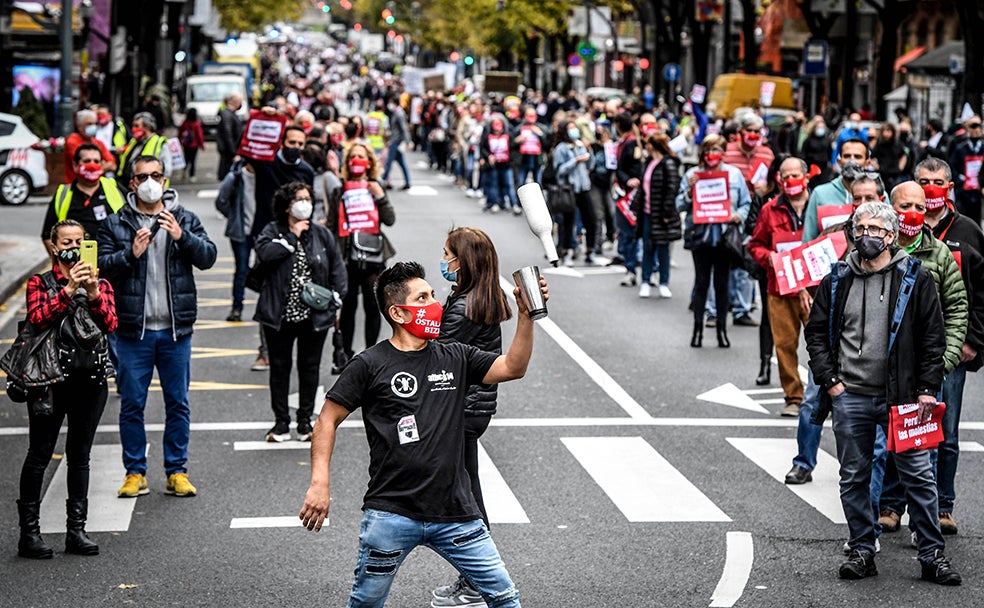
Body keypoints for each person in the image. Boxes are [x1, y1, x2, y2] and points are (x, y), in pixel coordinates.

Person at [299, 261, 548, 608]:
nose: (435, 304)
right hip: (391, 514)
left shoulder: (455, 355)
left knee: (506, 598)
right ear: (398, 313)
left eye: (433, 294)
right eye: (423, 298)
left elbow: (512, 367)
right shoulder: (369, 364)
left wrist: (525, 316)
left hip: (456, 514)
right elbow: (327, 419)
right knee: (365, 603)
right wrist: (319, 483)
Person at [804, 201, 961, 585]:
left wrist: (926, 389)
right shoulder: (837, 279)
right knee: (853, 476)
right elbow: (817, 334)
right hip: (851, 396)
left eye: (876, 230)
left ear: (891, 237)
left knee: (918, 476)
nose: (867, 236)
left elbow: (932, 337)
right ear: (853, 233)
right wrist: (833, 384)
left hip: (904, 398)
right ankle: (862, 549)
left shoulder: (914, 278)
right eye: (861, 229)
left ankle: (931, 555)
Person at [97, 156, 217, 498]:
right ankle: (135, 471)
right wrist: (129, 255)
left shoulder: (184, 218)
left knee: (177, 402)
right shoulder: (115, 224)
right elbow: (102, 268)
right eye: (142, 176)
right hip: (134, 331)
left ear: (164, 181)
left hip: (175, 331)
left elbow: (208, 256)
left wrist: (182, 237)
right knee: (132, 403)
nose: (150, 181)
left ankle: (176, 471)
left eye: (156, 175)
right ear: (132, 184)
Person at [17, 219, 117, 559]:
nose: (73, 246)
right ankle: (29, 534)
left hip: (89, 381)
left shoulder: (100, 282)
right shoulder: (39, 282)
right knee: (40, 454)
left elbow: (110, 324)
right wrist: (67, 289)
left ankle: (77, 530)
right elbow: (38, 317)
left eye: (79, 240)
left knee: (80, 455)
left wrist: (91, 292)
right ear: (54, 247)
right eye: (66, 241)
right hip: (48, 381)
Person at [873, 181, 967, 539]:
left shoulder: (939, 253)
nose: (912, 212)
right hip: (888, 370)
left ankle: (927, 522)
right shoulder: (877, 249)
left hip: (929, 367)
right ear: (890, 207)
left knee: (927, 445)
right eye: (904, 205)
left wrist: (948, 356)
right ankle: (891, 507)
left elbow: (957, 307)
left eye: (918, 204)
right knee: (889, 441)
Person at [430, 227, 514, 605]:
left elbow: (437, 355)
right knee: (466, 491)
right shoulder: (478, 297)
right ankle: (476, 577)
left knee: (464, 498)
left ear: (462, 262)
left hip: (462, 409)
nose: (443, 261)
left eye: (448, 255)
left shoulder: (463, 306)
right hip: (474, 408)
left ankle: (481, 580)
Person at [919, 157, 984, 535]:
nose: (931, 189)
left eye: (937, 182)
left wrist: (973, 341)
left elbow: (982, 294)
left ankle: (944, 506)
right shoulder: (902, 228)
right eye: (923, 181)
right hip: (907, 350)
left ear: (949, 186)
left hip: (953, 349)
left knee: (947, 432)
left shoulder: (969, 231)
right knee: (902, 427)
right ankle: (894, 505)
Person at [253, 182, 347, 442]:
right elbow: (264, 254)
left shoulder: (321, 234)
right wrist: (291, 237)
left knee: (309, 367)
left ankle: (305, 422)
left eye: (308, 198)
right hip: (279, 316)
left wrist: (337, 297)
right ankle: (281, 423)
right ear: (286, 206)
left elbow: (337, 268)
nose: (305, 203)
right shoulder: (272, 231)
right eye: (299, 199)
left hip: (314, 316)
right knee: (280, 368)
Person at [244, 123, 316, 369]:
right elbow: (248, 148)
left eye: (300, 144)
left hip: (300, 238)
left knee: (298, 291)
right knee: (268, 296)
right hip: (269, 237)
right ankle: (265, 351)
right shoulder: (267, 163)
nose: (295, 148)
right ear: (281, 142)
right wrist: (264, 118)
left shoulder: (306, 171)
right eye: (291, 142)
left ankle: (293, 346)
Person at [749, 158, 812, 418]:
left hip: (815, 288)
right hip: (781, 288)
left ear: (806, 176)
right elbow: (755, 245)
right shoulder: (769, 209)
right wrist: (769, 258)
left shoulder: (817, 206)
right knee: (784, 345)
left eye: (795, 174)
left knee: (825, 345)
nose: (790, 180)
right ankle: (794, 396)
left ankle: (826, 395)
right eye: (785, 176)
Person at [676, 134, 751, 348]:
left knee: (722, 284)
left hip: (725, 236)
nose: (712, 155)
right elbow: (679, 205)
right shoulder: (693, 174)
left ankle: (721, 331)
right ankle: (697, 330)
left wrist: (738, 215)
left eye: (717, 150)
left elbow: (746, 203)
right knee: (701, 283)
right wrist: (690, 191)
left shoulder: (734, 175)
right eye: (708, 150)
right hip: (700, 235)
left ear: (723, 152)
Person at [326, 143, 396, 365]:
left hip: (373, 257)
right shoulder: (340, 189)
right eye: (352, 156)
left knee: (373, 305)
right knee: (348, 307)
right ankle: (346, 354)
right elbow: (331, 224)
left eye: (361, 156)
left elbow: (390, 219)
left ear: (369, 162)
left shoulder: (375, 187)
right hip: (346, 256)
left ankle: (371, 355)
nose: (356, 160)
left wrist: (381, 197)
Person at [42, 143, 126, 252]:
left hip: (112, 262)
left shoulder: (116, 188)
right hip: (75, 265)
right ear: (75, 165)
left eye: (96, 161)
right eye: (86, 161)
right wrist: (61, 264)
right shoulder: (62, 194)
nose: (92, 165)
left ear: (102, 164)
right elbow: (47, 235)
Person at [631, 133, 681, 298]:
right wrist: (635, 205)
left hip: (661, 214)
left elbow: (672, 188)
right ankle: (645, 281)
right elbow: (642, 188)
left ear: (653, 145)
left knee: (662, 248)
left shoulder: (668, 164)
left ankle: (663, 283)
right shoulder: (649, 163)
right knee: (647, 247)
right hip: (646, 213)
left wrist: (667, 212)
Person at [802, 139, 869, 243]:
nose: (852, 161)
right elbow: (808, 239)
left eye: (858, 157)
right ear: (839, 161)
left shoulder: (878, 195)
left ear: (867, 163)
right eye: (847, 156)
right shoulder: (820, 194)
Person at [551, 119, 597, 266]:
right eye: (570, 128)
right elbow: (559, 171)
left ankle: (590, 250)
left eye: (574, 128)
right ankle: (567, 252)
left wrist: (589, 151)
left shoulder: (580, 145)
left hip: (584, 187)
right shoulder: (561, 148)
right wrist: (575, 161)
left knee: (591, 220)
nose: (574, 131)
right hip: (569, 189)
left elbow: (591, 165)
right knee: (568, 222)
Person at [613, 113, 644, 285]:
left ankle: (633, 269)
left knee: (629, 233)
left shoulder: (631, 143)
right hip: (625, 192)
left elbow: (626, 167)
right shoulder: (627, 142)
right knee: (627, 233)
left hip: (631, 193)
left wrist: (628, 179)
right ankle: (631, 268)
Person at [63, 109, 117, 183]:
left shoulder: (98, 142)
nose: (93, 127)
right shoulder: (72, 141)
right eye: (89, 124)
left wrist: (94, 168)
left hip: (96, 186)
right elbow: (81, 166)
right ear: (79, 126)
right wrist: (102, 165)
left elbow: (113, 165)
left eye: (95, 124)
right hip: (75, 185)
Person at [947, 115, 983, 224]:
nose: (975, 130)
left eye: (978, 126)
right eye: (972, 126)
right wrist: (960, 182)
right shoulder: (960, 147)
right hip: (963, 191)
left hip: (978, 192)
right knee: (962, 220)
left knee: (976, 220)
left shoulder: (982, 148)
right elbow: (952, 167)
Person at [118, 112, 172, 185]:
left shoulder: (160, 143)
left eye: (137, 126)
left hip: (149, 188)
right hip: (130, 186)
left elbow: (167, 170)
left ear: (147, 127)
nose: (133, 129)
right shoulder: (134, 141)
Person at [382, 98, 412, 190]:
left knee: (389, 162)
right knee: (401, 163)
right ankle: (407, 181)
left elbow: (404, 128)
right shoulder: (396, 112)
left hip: (396, 141)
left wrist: (408, 141)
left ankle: (382, 181)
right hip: (395, 140)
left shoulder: (399, 113)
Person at [870, 122, 908, 191]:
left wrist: (900, 167)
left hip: (895, 175)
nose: (886, 133)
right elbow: (871, 157)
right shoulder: (879, 144)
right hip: (882, 175)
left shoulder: (898, 144)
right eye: (884, 131)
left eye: (888, 131)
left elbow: (904, 155)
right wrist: (877, 167)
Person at [217, 92, 245, 181]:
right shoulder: (227, 115)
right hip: (229, 153)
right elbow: (227, 135)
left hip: (231, 151)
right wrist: (234, 153)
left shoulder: (231, 114)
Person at [177, 108, 206, 182]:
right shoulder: (196, 124)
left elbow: (180, 132)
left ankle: (183, 172)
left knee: (186, 159)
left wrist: (179, 141)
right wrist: (202, 145)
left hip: (186, 144)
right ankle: (192, 175)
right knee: (193, 160)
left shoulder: (185, 123)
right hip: (194, 145)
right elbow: (199, 135)